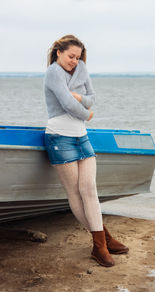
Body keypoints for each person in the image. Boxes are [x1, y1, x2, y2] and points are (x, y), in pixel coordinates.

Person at [43, 34, 129, 267]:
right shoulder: (53, 72)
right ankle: (101, 244)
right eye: (70, 56)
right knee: (75, 192)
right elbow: (66, 103)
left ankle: (102, 240)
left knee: (89, 188)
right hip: (60, 137)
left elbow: (91, 98)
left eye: (78, 57)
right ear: (58, 52)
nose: (74, 61)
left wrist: (81, 97)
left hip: (81, 137)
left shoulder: (81, 69)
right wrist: (88, 114)